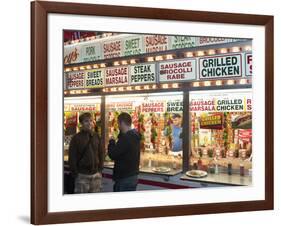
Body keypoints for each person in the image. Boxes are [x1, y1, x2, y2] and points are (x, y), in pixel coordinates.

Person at [68, 112, 104, 194]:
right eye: (86, 121)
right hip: (82, 175)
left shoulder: (96, 136)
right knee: (81, 203)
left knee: (95, 203)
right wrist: (76, 173)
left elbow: (101, 153)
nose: (89, 123)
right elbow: (72, 157)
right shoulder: (76, 138)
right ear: (81, 123)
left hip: (96, 175)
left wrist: (100, 169)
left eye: (91, 121)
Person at [108, 112, 141, 192]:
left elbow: (112, 154)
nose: (118, 126)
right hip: (132, 176)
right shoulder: (135, 135)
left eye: (118, 123)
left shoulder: (126, 138)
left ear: (122, 123)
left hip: (124, 178)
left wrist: (112, 141)